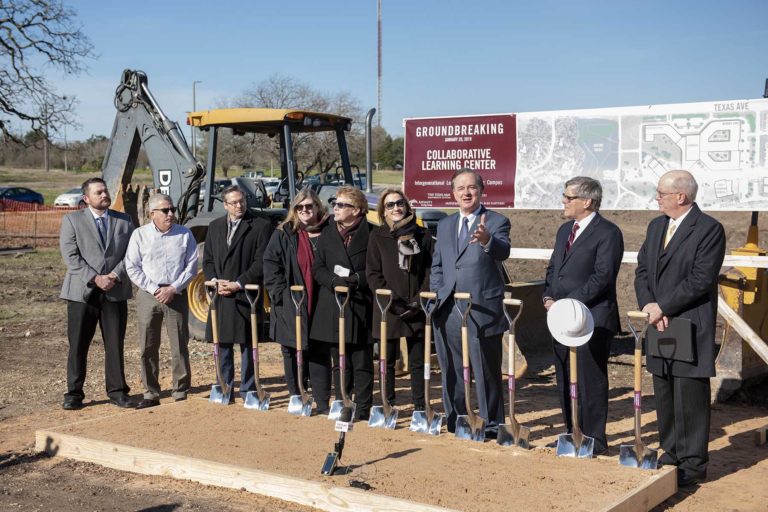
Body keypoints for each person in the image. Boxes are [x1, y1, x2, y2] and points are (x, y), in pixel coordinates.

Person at [635, 170, 725, 487]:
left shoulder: (709, 230)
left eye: (660, 192)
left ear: (680, 196)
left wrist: (664, 307)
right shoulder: (656, 226)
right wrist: (648, 304)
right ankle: (670, 453)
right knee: (664, 390)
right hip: (659, 322)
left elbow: (700, 279)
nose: (656, 197)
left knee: (689, 395)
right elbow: (643, 268)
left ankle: (693, 464)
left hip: (688, 322)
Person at [542, 176, 624, 455]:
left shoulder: (608, 233)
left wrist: (568, 303)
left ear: (587, 201)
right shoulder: (565, 230)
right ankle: (571, 432)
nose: (563, 202)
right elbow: (554, 268)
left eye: (568, 197)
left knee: (590, 378)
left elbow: (603, 277)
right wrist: (548, 296)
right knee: (564, 374)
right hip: (560, 317)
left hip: (592, 317)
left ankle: (594, 439)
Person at [430, 168, 511, 437]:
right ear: (453, 193)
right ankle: (457, 420)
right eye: (460, 188)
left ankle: (490, 424)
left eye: (472, 187)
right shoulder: (445, 225)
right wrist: (437, 293)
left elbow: (503, 251)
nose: (466, 192)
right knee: (452, 367)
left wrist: (487, 240)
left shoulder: (497, 221)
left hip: (481, 308)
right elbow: (438, 265)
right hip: (448, 307)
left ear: (481, 190)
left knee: (485, 369)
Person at [59, 177, 135, 410]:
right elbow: (70, 256)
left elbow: (132, 255)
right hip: (82, 292)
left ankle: (117, 391)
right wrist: (95, 278)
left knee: (114, 344)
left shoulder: (124, 221)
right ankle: (73, 393)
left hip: (115, 290)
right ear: (86, 198)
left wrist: (112, 276)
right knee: (78, 345)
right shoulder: (72, 220)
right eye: (98, 192)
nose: (104, 195)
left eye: (105, 191)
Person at [125, 193, 198, 409]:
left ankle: (180, 390)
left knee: (179, 345)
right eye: (165, 210)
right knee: (148, 345)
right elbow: (132, 266)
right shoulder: (140, 235)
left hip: (176, 294)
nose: (171, 214)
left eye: (172, 209)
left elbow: (192, 266)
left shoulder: (184, 234)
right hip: (149, 295)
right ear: (152, 214)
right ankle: (151, 392)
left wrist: (173, 288)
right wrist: (155, 289)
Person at [263, 189, 331, 413]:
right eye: (300, 207)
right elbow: (271, 265)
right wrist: (281, 294)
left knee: (319, 350)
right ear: (294, 210)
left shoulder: (329, 232)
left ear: (318, 207)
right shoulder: (284, 233)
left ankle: (322, 401)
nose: (305, 211)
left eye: (309, 206)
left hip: (321, 301)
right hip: (291, 301)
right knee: (291, 349)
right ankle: (297, 395)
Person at [202, 185, 272, 403]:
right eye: (234, 202)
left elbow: (261, 262)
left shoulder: (261, 226)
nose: (239, 205)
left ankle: (249, 390)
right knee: (222, 343)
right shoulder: (214, 227)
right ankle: (224, 388)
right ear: (225, 205)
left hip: (246, 295)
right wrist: (215, 281)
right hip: (221, 295)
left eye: (242, 201)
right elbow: (208, 260)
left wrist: (238, 283)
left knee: (248, 345)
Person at [310, 186, 374, 421]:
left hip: (358, 302)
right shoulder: (328, 233)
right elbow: (318, 267)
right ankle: (343, 400)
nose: (335, 208)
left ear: (356, 210)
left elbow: (376, 269)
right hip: (333, 302)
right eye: (334, 204)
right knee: (339, 358)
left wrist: (356, 280)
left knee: (361, 359)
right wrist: (334, 282)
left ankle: (364, 406)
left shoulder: (372, 234)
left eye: (341, 205)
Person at [366, 188, 433, 411]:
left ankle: (420, 406)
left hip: (417, 306)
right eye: (390, 205)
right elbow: (373, 273)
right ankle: (388, 404)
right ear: (383, 210)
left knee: (417, 361)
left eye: (399, 203)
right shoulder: (377, 236)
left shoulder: (422, 235)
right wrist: (391, 301)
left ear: (407, 206)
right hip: (388, 308)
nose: (396, 208)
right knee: (388, 360)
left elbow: (430, 270)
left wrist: (418, 300)